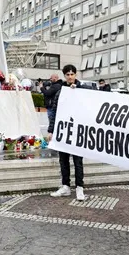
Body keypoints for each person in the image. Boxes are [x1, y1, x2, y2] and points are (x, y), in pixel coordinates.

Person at [49, 65, 96, 201]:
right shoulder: (61, 91)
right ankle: (65, 186)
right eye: (67, 74)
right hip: (64, 131)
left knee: (78, 161)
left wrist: (78, 90)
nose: (70, 77)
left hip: (78, 131)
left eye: (72, 74)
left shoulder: (82, 89)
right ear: (64, 76)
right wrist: (51, 130)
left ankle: (80, 188)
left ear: (76, 75)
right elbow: (55, 112)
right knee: (63, 160)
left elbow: (94, 97)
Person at [41, 73, 63, 141]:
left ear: (55, 78)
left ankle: (52, 138)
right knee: (52, 122)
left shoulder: (56, 86)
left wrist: (41, 87)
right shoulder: (57, 85)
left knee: (52, 122)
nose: (50, 80)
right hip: (52, 106)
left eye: (51, 78)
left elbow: (47, 93)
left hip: (51, 107)